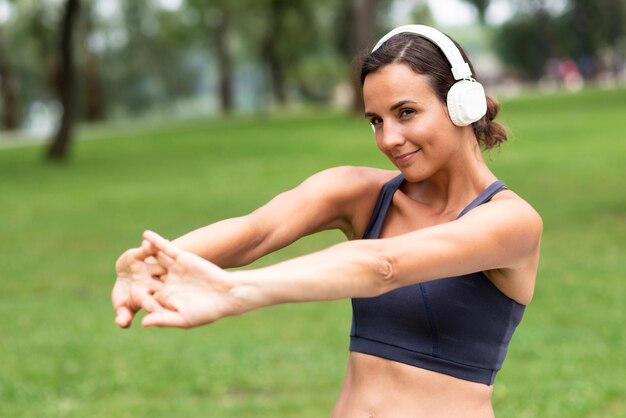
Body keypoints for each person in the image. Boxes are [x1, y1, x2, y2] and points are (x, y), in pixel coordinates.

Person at [112, 24, 542, 418]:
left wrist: (235, 291)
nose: (389, 139)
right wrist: (157, 262)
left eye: (406, 112)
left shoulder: (511, 222)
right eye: (376, 120)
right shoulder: (361, 195)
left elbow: (383, 265)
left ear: (461, 104)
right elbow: (256, 231)